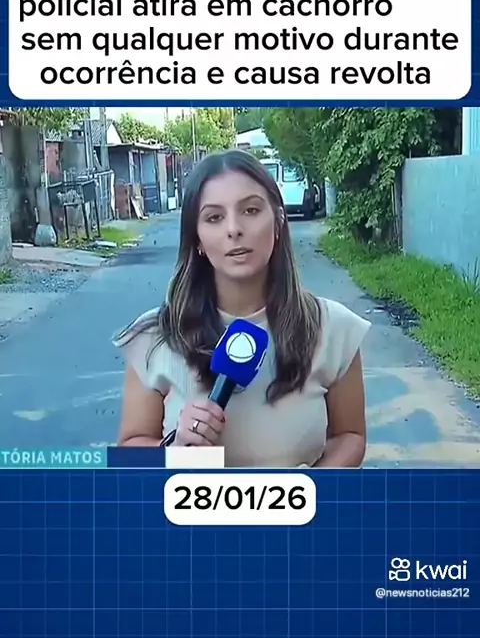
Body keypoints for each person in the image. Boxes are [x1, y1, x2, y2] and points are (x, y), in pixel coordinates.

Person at [114, 149, 371, 468]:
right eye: (214, 217)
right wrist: (175, 449)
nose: (234, 229)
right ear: (197, 239)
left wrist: (304, 490)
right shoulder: (155, 337)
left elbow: (349, 436)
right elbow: (130, 452)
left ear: (278, 221)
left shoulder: (333, 329)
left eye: (250, 210)